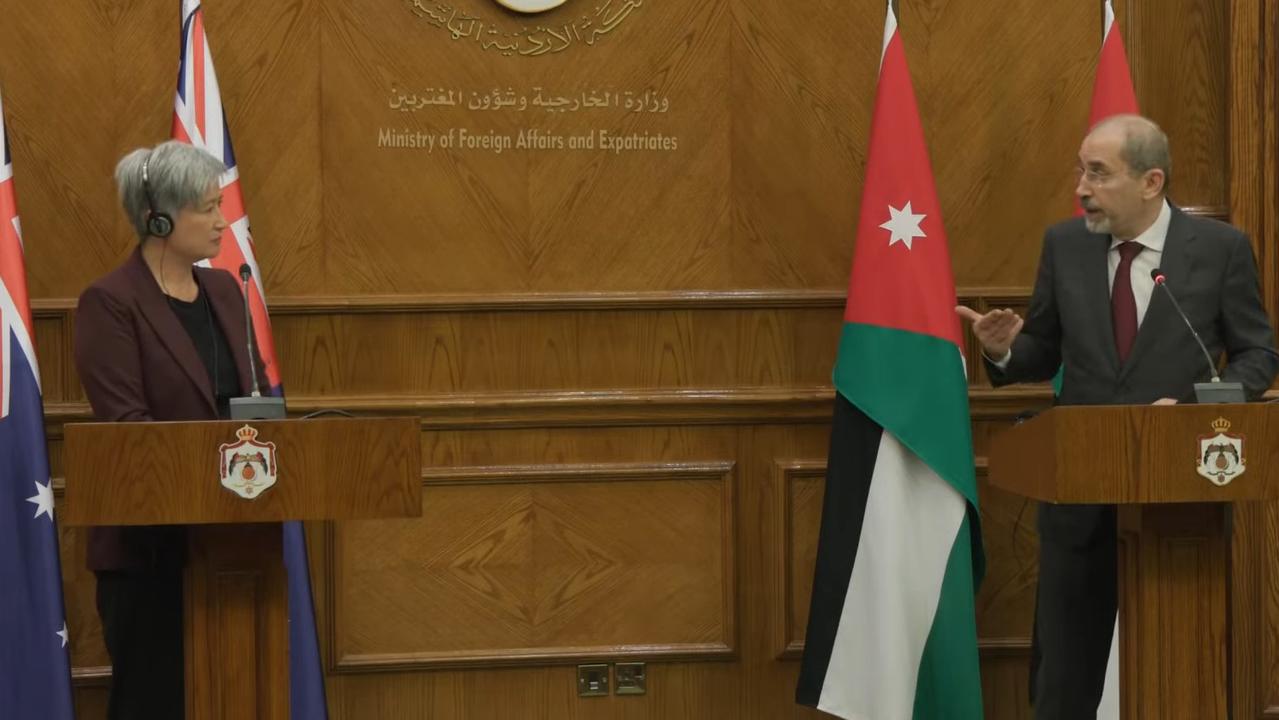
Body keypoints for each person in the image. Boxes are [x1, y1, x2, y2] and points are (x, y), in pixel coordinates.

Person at [956, 114, 1279, 719]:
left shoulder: (1220, 250)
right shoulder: (1065, 245)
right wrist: (1001, 348)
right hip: (1078, 496)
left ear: (1151, 181)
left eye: (1098, 173)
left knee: (1186, 672)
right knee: (1066, 680)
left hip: (1181, 504)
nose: (1081, 186)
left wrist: (1187, 411)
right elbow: (1043, 350)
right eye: (1081, 170)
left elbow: (1258, 355)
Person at [74, 140, 265, 719]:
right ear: (159, 218)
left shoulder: (227, 291)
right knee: (154, 703)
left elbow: (244, 407)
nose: (220, 220)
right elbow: (128, 429)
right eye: (206, 208)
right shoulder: (109, 303)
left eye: (219, 204)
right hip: (149, 551)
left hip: (232, 542)